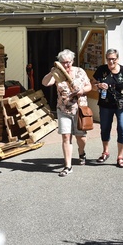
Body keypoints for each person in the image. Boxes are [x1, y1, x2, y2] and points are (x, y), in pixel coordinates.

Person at [41, 49, 92, 177]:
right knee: (65, 137)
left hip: (79, 109)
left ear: (72, 61)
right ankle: (68, 166)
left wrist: (81, 91)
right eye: (63, 62)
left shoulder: (80, 72)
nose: (66, 65)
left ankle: (82, 152)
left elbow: (89, 86)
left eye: (68, 62)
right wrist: (52, 72)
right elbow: (45, 83)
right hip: (63, 109)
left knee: (81, 138)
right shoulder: (58, 74)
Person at [92, 48, 123, 168]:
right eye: (109, 59)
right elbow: (91, 85)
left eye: (113, 59)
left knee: (122, 129)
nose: (111, 62)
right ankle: (105, 152)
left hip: (122, 106)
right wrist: (98, 85)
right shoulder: (101, 70)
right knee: (105, 128)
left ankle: (120, 156)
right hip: (105, 105)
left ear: (117, 59)